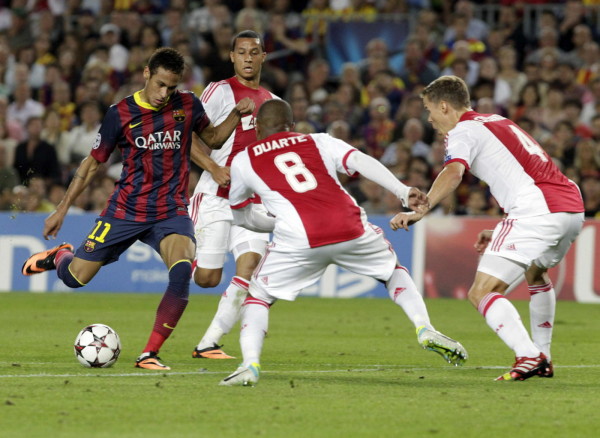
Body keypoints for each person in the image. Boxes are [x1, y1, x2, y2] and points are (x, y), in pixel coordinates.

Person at [21, 47, 255, 371]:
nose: (164, 94)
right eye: (160, 84)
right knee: (76, 279)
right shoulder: (120, 113)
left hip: (170, 209)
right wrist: (62, 209)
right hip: (125, 209)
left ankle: (149, 354)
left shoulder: (187, 104)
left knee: (183, 269)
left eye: (171, 87)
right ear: (146, 73)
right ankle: (61, 255)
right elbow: (92, 165)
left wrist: (236, 115)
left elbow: (213, 139)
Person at [219, 99, 468, 386]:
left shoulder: (243, 159)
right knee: (393, 272)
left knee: (258, 297)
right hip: (349, 226)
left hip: (299, 238)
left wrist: (276, 223)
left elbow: (241, 215)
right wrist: (402, 190)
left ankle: (250, 364)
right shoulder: (319, 140)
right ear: (291, 126)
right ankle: (424, 327)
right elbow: (360, 162)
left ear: (258, 128)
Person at [390, 75, 585, 381]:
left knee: (482, 291)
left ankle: (529, 356)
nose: (429, 118)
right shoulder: (497, 121)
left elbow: (453, 173)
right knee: (536, 273)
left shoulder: (462, 131)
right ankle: (543, 355)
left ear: (444, 106)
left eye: (429, 110)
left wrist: (419, 211)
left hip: (537, 210)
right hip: (570, 207)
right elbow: (525, 174)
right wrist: (502, 227)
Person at [188, 30, 279, 360]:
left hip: (250, 201)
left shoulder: (272, 103)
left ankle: (208, 343)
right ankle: (170, 241)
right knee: (207, 279)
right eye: (242, 52)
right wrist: (213, 168)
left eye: (254, 52)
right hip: (215, 194)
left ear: (263, 56)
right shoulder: (219, 90)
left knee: (250, 268)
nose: (248, 58)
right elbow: (193, 137)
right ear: (231, 56)